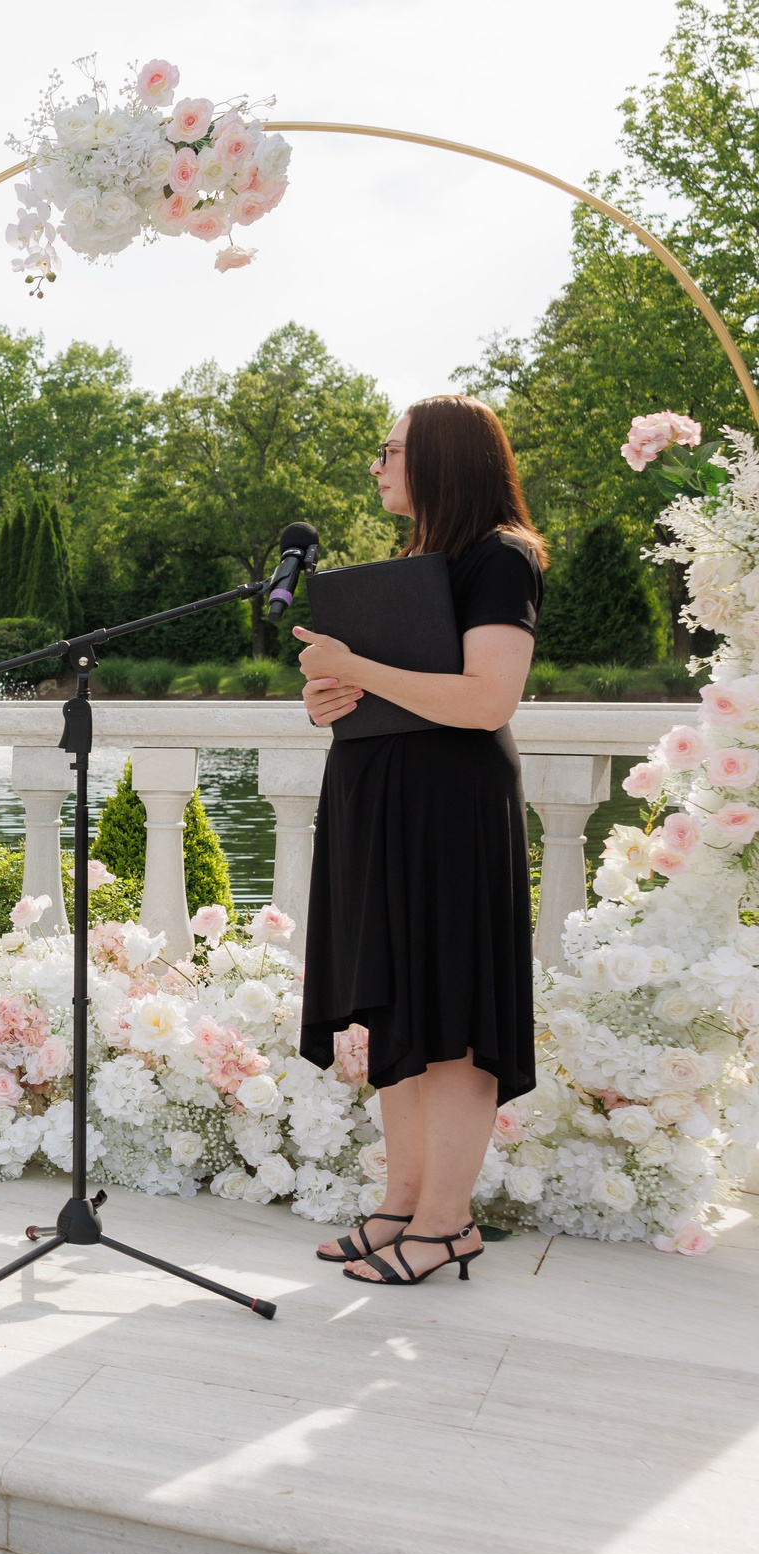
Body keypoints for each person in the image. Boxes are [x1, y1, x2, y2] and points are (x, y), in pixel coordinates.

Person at [291, 394, 543, 1285]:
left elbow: (486, 700)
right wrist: (329, 698)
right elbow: (390, 690)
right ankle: (400, 1206)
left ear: (442, 459)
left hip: (451, 814)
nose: (377, 465)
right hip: (382, 804)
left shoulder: (501, 558)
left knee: (456, 1020)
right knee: (397, 1009)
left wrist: (353, 665)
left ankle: (446, 1225)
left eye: (391, 451)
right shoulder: (413, 567)